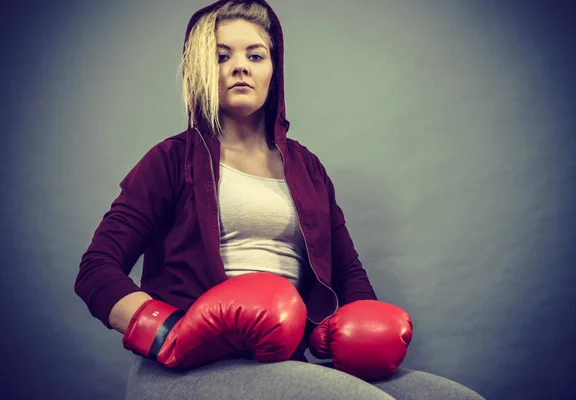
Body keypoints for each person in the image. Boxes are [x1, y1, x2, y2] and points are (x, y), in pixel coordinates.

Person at [74, 1, 485, 399]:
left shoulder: (306, 167)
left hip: (284, 364)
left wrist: (357, 330)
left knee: (451, 397)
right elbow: (96, 270)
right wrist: (170, 332)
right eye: (221, 56)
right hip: (188, 369)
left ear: (273, 69)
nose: (240, 66)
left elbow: (349, 273)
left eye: (256, 54)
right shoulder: (171, 159)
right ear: (201, 70)